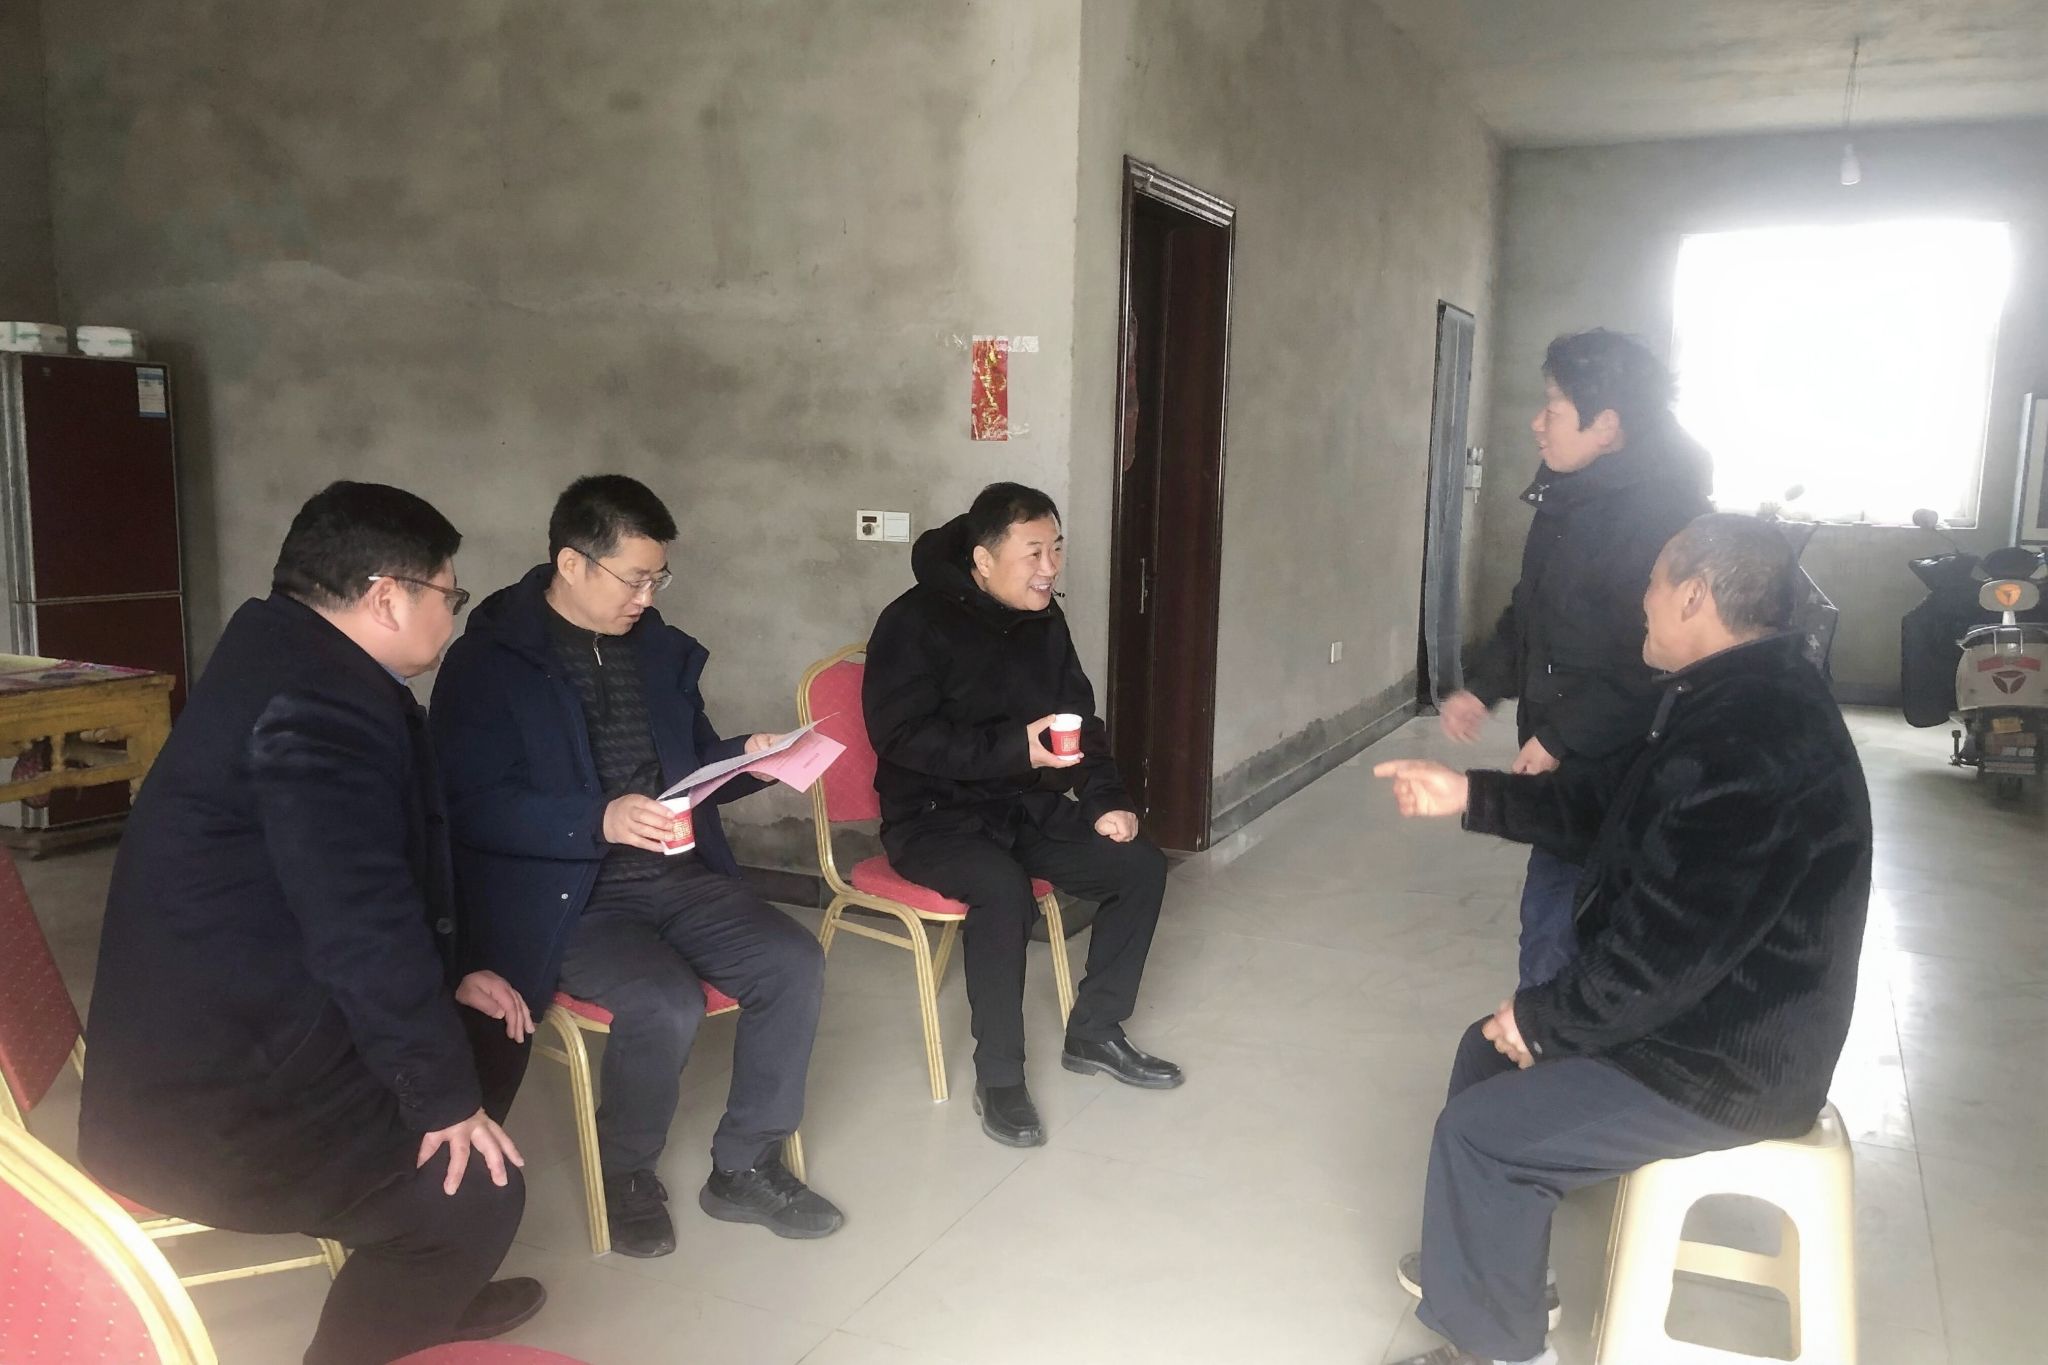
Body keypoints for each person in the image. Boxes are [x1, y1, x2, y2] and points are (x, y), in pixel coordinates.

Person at [1372, 514, 1873, 1365]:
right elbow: (1610, 807)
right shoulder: (1733, 694)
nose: (1642, 599)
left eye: (1654, 580)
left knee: (1484, 1134)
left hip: (1726, 1061)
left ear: (1695, 596)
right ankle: (1500, 1287)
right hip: (1700, 1019)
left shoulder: (1752, 741)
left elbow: (1672, 952)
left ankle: (1502, 1351)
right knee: (1483, 1057)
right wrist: (1469, 795)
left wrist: (1548, 1019)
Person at [78, 483, 542, 1365]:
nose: (451, 616)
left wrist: (449, 980)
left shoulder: (287, 652)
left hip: (254, 1018)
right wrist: (442, 1098)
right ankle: (413, 1279)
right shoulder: (314, 710)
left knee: (493, 1025)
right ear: (387, 596)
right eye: (450, 595)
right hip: (216, 1101)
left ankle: (424, 1286)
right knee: (478, 1193)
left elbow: (349, 884)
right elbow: (360, 923)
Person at [430, 474, 840, 1258]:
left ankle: (745, 1164)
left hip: (678, 877)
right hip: (570, 897)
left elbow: (690, 765)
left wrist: (749, 758)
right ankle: (625, 1172)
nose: (647, 597)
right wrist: (598, 818)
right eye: (635, 578)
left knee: (793, 961)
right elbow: (470, 805)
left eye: (659, 579)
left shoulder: (655, 651)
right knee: (663, 1000)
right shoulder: (488, 665)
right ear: (572, 563)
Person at [862, 481, 1178, 1148]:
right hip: (932, 817)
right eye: (1033, 552)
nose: (1049, 568)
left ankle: (1095, 1032)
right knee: (1003, 892)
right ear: (983, 559)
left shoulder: (1044, 621)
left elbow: (1079, 723)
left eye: (1056, 549)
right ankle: (1000, 1078)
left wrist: (1107, 800)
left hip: (1020, 805)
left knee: (1140, 865)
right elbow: (900, 737)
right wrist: (1014, 748)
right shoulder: (912, 622)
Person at [1443, 329, 1711, 989]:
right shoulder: (1573, 493)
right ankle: (1552, 1031)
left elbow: (1655, 661)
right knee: (1555, 914)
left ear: (1607, 426)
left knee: (1566, 924)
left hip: (1622, 759)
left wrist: (1563, 735)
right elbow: (1532, 605)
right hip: (1569, 747)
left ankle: (1551, 1038)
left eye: (1554, 407)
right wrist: (1483, 686)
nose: (1537, 423)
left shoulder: (1659, 520)